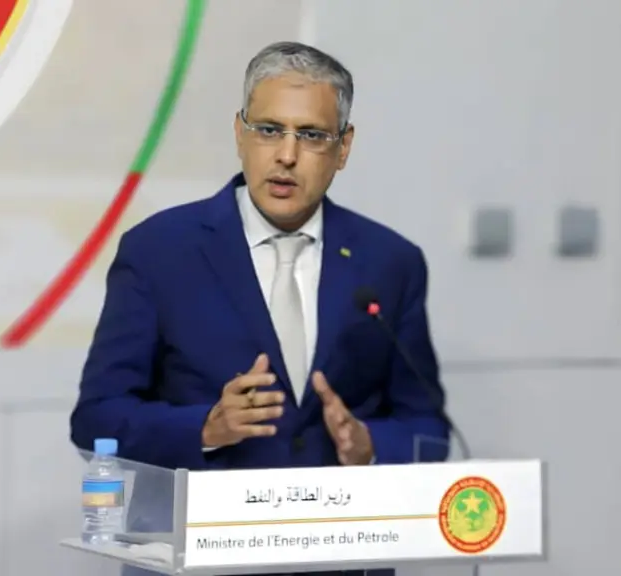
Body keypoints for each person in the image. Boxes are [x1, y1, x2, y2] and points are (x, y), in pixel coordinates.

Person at [71, 40, 447, 481]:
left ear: (343, 148)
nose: (286, 155)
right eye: (269, 130)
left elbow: (429, 427)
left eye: (311, 135)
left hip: (338, 522)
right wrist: (205, 428)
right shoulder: (158, 251)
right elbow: (95, 419)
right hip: (202, 521)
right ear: (240, 133)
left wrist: (370, 445)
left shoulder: (390, 261)